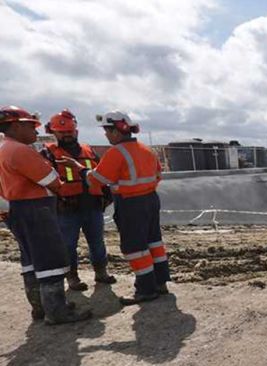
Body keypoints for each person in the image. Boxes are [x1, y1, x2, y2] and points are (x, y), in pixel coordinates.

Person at [60, 111, 170, 305]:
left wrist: (81, 169)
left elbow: (99, 179)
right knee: (154, 242)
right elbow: (158, 176)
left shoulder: (117, 152)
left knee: (135, 247)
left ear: (116, 132)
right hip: (151, 200)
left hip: (130, 203)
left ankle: (146, 289)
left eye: (107, 131)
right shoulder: (146, 149)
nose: (106, 135)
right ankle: (160, 283)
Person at [0, 105, 92, 324]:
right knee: (50, 259)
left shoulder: (4, 148)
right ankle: (57, 311)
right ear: (15, 126)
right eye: (31, 126)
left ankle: (40, 307)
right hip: (36, 210)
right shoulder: (20, 151)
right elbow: (52, 180)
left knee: (31, 259)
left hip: (17, 210)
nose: (36, 131)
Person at [41, 109, 116, 291]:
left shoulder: (88, 151)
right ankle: (72, 277)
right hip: (66, 209)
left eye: (70, 131)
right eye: (62, 132)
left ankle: (101, 272)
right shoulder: (48, 153)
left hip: (92, 205)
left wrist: (107, 196)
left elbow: (101, 174)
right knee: (68, 245)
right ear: (54, 132)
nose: (67, 135)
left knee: (97, 242)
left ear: (76, 131)